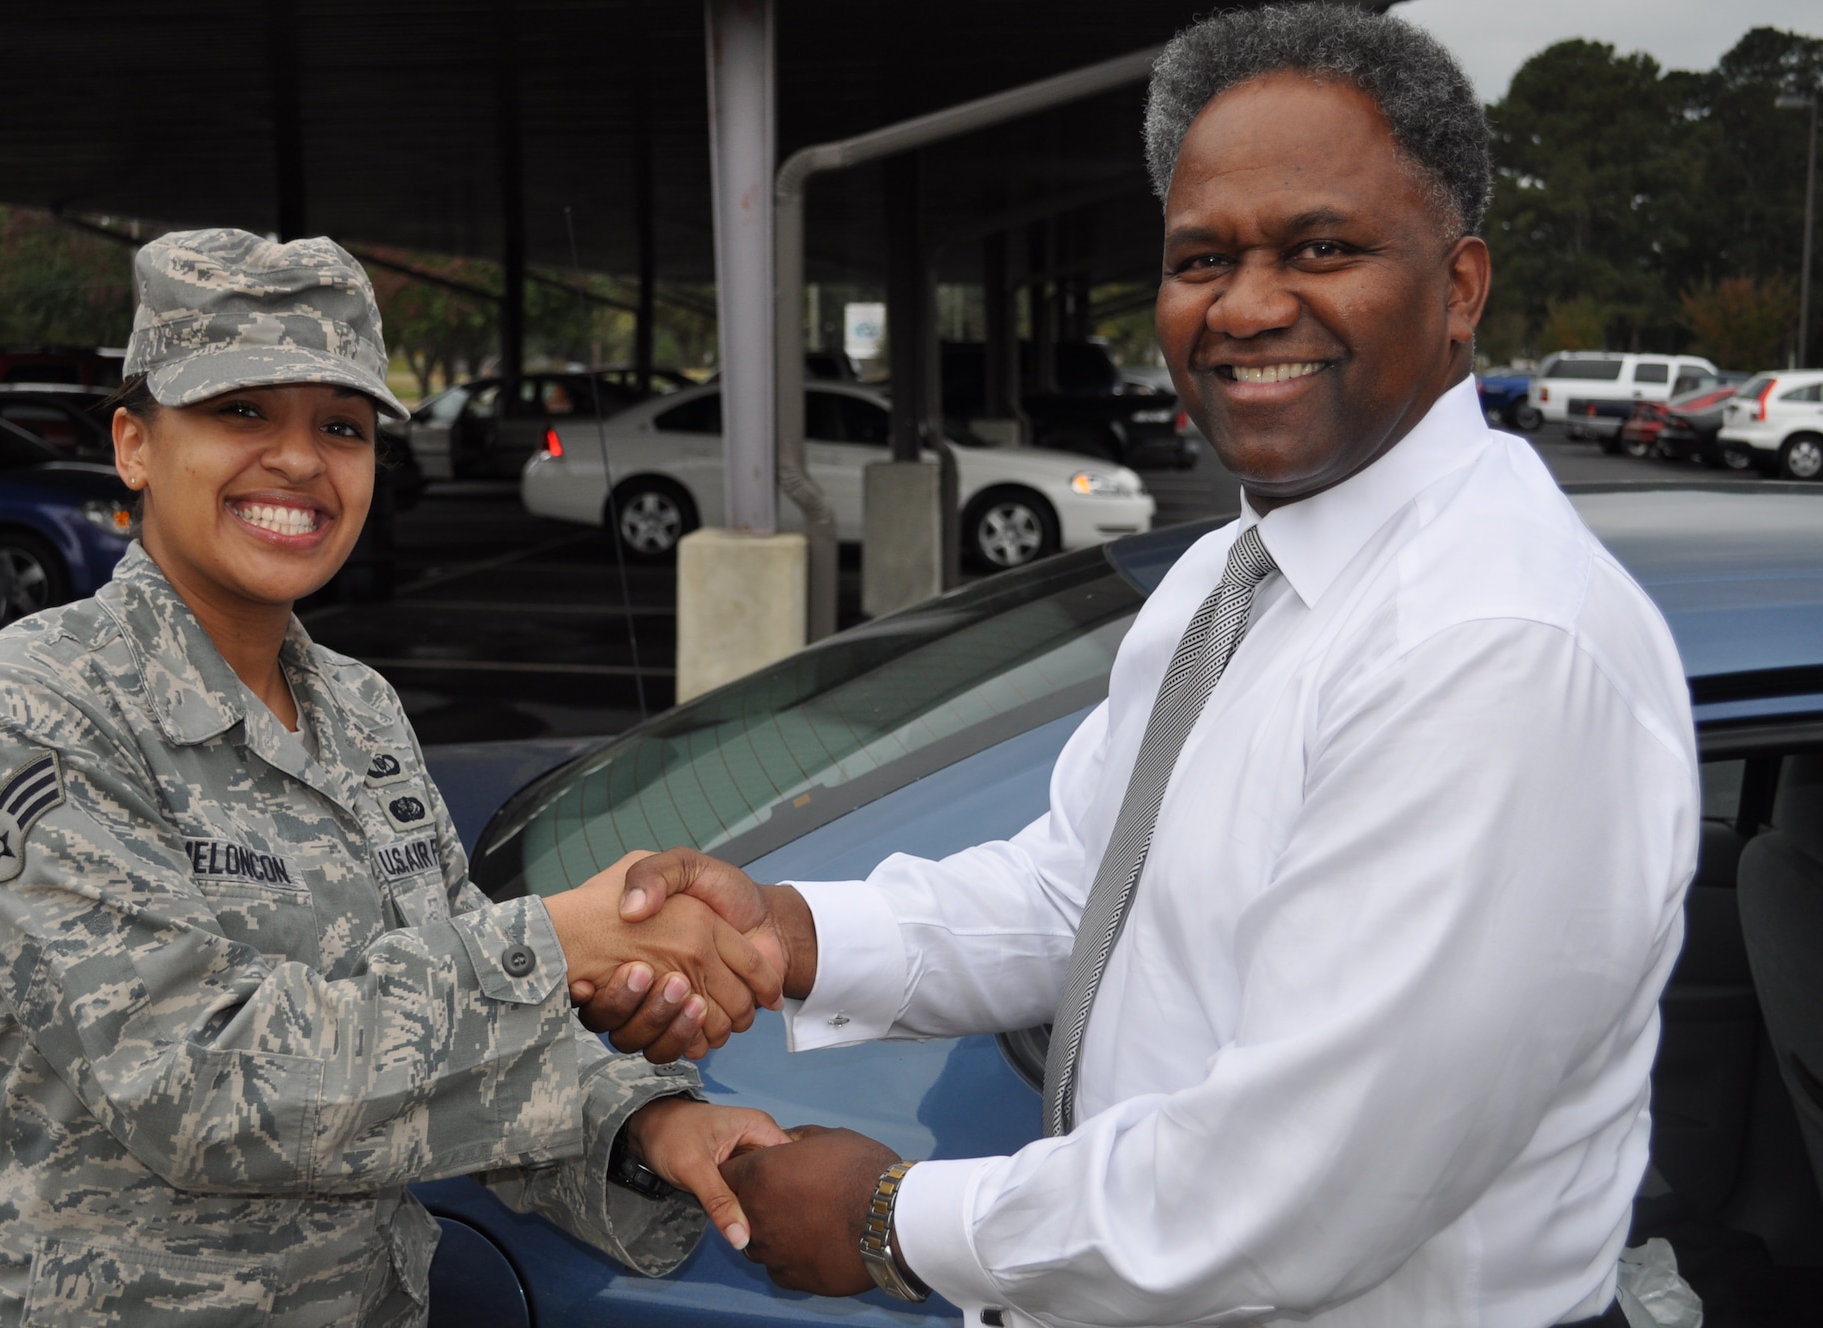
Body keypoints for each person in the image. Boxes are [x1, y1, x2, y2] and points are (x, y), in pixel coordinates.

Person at [581, 7, 1698, 1327]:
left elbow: (1295, 1189)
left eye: (1322, 248)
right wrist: (796, 931)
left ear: (1460, 288)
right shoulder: (1231, 578)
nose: (1248, 306)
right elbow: (1083, 893)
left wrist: (891, 1222)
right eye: (1201, 258)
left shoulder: (1493, 647)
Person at [0, 228, 787, 1327]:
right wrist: (558, 943)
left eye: (341, 427)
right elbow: (196, 1086)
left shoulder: (358, 711)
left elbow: (441, 1029)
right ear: (133, 444)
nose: (301, 460)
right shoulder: (31, 714)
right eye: (241, 411)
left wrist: (642, 1128)